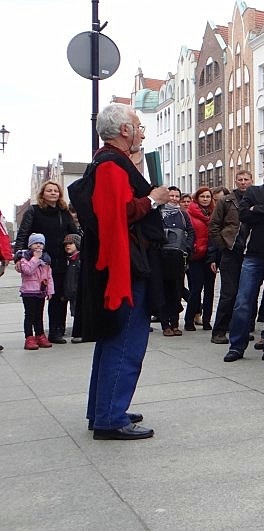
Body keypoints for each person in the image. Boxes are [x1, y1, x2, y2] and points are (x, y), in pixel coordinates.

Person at [70, 103, 168, 439]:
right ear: (124, 130)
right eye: (139, 126)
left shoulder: (106, 161)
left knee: (113, 339)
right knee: (125, 342)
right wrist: (153, 199)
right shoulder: (112, 164)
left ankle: (103, 409)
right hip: (123, 269)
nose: (141, 132)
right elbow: (116, 216)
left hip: (120, 265)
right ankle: (110, 417)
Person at [223, 157, 264, 362]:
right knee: (243, 301)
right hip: (252, 254)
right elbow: (244, 215)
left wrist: (258, 209)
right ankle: (237, 346)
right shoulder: (253, 191)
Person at [14, 181, 80, 343]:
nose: (53, 193)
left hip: (59, 260)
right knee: (36, 301)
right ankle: (35, 333)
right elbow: (23, 234)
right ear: (43, 193)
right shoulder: (34, 211)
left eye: (56, 191)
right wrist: (19, 257)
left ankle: (57, 330)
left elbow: (74, 233)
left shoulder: (64, 212)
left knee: (59, 297)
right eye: (49, 190)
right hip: (39, 263)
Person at [208, 170, 252, 344]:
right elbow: (213, 225)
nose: (243, 182)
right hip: (231, 251)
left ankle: (241, 329)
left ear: (251, 180)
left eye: (246, 179)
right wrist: (223, 245)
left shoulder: (255, 198)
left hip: (250, 252)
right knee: (229, 294)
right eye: (240, 180)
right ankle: (218, 331)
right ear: (236, 181)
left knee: (247, 294)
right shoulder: (226, 200)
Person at [160, 186, 194, 337]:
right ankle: (165, 324)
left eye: (176, 196)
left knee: (177, 290)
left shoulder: (183, 214)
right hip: (161, 256)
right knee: (163, 291)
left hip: (179, 257)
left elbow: (191, 231)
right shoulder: (159, 213)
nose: (174, 198)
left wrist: (187, 246)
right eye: (171, 196)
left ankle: (175, 323)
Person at [185, 187, 217, 331]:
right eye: (202, 196)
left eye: (208, 197)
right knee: (196, 288)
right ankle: (189, 319)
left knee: (210, 290)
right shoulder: (189, 213)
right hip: (196, 256)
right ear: (197, 198)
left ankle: (206, 320)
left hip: (210, 257)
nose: (205, 199)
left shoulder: (215, 213)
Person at [17, 233, 55, 349]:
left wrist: (50, 291)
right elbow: (28, 270)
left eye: (41, 243)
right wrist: (35, 258)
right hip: (29, 292)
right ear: (30, 245)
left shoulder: (46, 259)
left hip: (40, 292)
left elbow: (49, 277)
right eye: (35, 243)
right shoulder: (25, 258)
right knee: (29, 315)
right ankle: (29, 337)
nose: (38, 246)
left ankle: (40, 335)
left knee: (39, 315)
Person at [63, 234, 83, 343]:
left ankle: (81, 332)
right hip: (72, 293)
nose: (67, 246)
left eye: (70, 244)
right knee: (75, 312)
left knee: (79, 312)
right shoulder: (69, 260)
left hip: (77, 292)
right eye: (66, 244)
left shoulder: (79, 260)